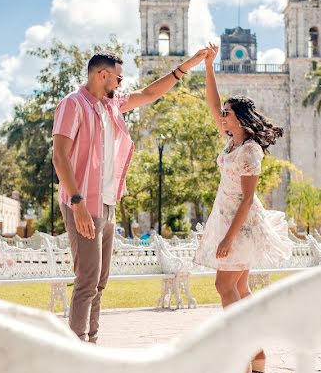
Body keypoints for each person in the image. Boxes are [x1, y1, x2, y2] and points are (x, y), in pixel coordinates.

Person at [52, 49, 207, 342]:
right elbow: (60, 157)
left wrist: (188, 65)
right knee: (87, 279)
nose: (121, 85)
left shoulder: (112, 105)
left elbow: (149, 93)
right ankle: (74, 347)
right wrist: (77, 204)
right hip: (83, 203)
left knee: (99, 282)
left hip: (107, 203)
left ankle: (91, 341)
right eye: (118, 79)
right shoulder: (73, 105)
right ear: (103, 75)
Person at [193, 43, 293, 373]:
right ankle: (258, 355)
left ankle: (241, 357)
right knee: (239, 288)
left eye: (227, 113)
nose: (221, 116)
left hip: (241, 225)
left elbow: (248, 199)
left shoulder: (250, 151)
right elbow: (210, 104)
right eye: (223, 114)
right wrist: (209, 67)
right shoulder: (231, 142)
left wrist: (228, 239)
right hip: (226, 219)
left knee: (224, 287)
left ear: (239, 119)